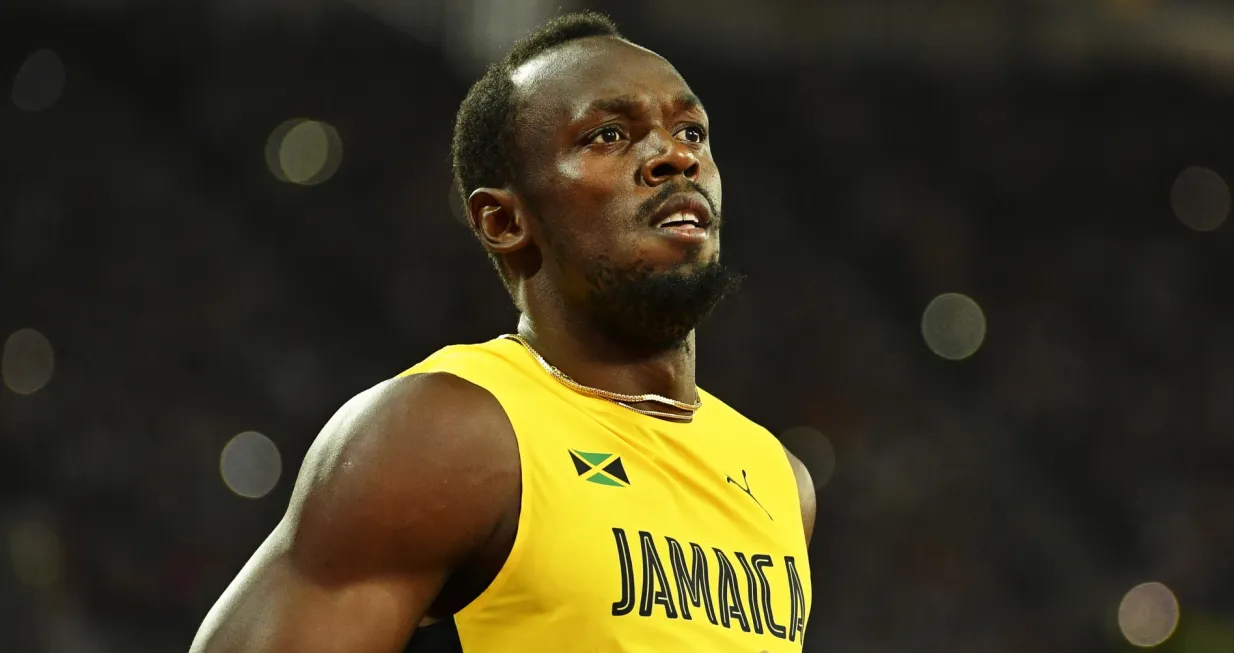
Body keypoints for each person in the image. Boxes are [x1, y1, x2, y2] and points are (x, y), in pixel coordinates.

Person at [190, 11, 815, 653]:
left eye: (691, 131)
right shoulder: (447, 434)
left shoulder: (779, 480)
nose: (676, 157)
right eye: (608, 134)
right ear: (504, 219)